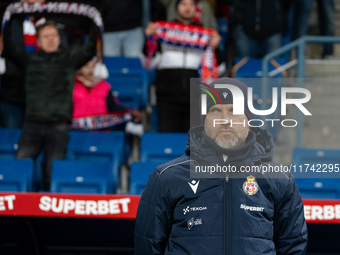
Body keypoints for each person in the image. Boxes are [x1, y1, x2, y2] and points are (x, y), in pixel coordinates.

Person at [134, 77, 308, 254]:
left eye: (234, 110)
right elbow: (147, 247)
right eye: (215, 110)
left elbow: (293, 247)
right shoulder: (166, 178)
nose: (225, 120)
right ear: (204, 119)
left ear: (249, 119)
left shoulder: (280, 179)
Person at [3, 20, 97, 190]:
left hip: (58, 126)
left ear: (60, 38)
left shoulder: (69, 59)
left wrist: (93, 23)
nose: (51, 39)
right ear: (38, 42)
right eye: (46, 36)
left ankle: (47, 214)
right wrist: (10, 18)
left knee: (51, 173)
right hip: (31, 124)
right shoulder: (29, 60)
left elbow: (90, 49)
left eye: (54, 35)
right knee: (20, 168)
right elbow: (9, 47)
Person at [144, 0, 222, 132]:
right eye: (183, 4)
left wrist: (216, 48)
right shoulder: (163, 30)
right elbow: (149, 63)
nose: (187, 8)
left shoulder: (205, 34)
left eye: (191, 5)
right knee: (168, 144)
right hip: (166, 98)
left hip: (195, 98)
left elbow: (219, 68)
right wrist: (149, 40)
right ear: (176, 7)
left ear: (196, 9)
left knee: (194, 146)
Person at [72, 59, 143, 135]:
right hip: (76, 132)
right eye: (86, 66)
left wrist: (130, 112)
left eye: (93, 66)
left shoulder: (104, 86)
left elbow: (113, 107)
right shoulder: (71, 86)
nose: (90, 70)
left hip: (102, 133)